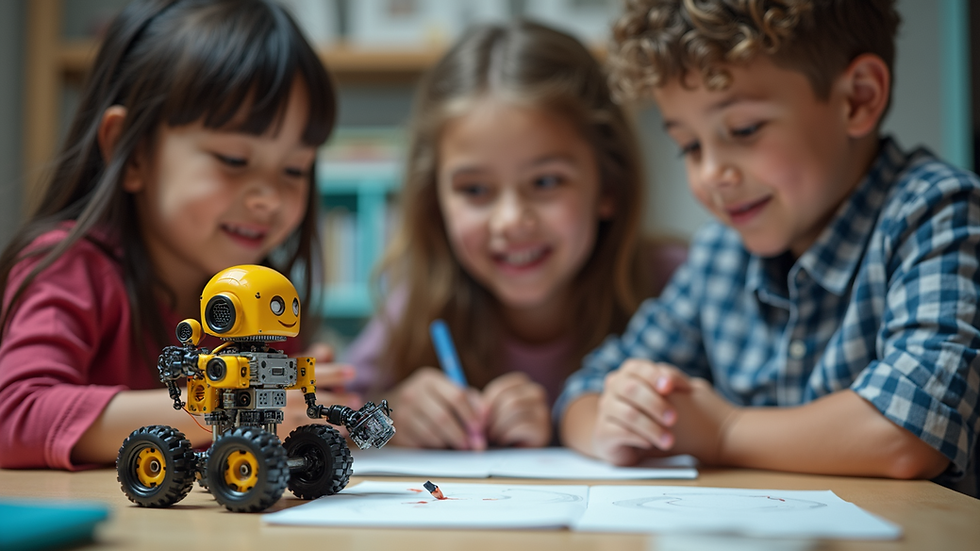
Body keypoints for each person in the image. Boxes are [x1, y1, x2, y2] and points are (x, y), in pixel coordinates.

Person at [557, 0, 980, 497]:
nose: (711, 174)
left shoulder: (938, 213)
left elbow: (910, 431)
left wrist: (724, 430)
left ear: (858, 99)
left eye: (744, 130)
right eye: (690, 146)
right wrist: (619, 415)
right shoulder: (720, 254)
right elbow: (582, 394)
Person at [0, 0, 358, 470]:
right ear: (133, 155)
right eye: (233, 159)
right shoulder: (71, 268)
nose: (268, 198)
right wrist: (224, 409)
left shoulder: (259, 292)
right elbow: (15, 415)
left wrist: (315, 403)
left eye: (295, 169)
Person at [345, 20, 687, 451]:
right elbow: (332, 416)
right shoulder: (421, 299)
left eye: (546, 182)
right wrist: (390, 418)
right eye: (474, 190)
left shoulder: (677, 284)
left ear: (609, 186)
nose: (510, 220)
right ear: (436, 201)